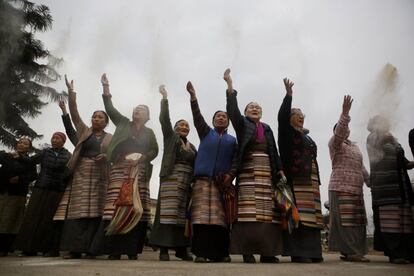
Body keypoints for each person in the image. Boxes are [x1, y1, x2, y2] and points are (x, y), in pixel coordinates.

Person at [90, 74, 158, 260]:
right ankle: (113, 249)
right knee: (117, 204)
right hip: (120, 167)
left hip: (140, 170)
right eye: (136, 108)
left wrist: (142, 158)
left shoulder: (150, 132)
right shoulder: (122, 123)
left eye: (142, 109)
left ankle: (131, 249)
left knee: (136, 205)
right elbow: (109, 108)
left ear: (147, 116)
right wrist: (106, 88)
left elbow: (154, 150)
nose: (138, 110)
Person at [224, 69, 284, 263]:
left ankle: (267, 253)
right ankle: (247, 251)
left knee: (268, 213)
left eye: (257, 107)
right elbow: (232, 111)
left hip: (267, 173)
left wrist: (279, 169)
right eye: (251, 107)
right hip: (248, 171)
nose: (255, 109)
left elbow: (273, 150)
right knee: (247, 211)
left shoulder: (267, 128)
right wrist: (230, 86)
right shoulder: (243, 125)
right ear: (246, 112)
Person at [54, 75, 112, 259]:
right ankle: (73, 248)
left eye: (100, 117)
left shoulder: (111, 137)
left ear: (106, 121)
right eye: (94, 116)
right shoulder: (84, 131)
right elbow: (74, 113)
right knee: (78, 210)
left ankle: (92, 249)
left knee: (96, 211)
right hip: (81, 174)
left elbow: (116, 155)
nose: (96, 119)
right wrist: (71, 94)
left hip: (101, 176)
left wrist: (107, 156)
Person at [186, 81, 237, 263]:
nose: (221, 118)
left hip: (221, 184)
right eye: (218, 116)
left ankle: (221, 253)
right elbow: (197, 117)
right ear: (213, 121)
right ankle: (201, 253)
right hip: (201, 182)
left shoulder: (233, 141)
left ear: (228, 121)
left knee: (220, 219)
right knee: (200, 217)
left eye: (224, 116)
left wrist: (230, 176)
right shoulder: (206, 133)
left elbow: (235, 161)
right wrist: (193, 97)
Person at [278, 78, 323, 263]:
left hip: (311, 180)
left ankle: (314, 253)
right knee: (300, 216)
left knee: (313, 216)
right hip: (296, 178)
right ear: (290, 118)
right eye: (296, 113)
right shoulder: (287, 133)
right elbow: (281, 117)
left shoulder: (307, 137)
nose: (300, 115)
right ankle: (299, 252)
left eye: (302, 113)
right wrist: (288, 96)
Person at [149, 85, 196, 261]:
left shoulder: (192, 146)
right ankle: (163, 248)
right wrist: (164, 98)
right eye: (181, 125)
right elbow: (164, 119)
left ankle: (181, 248)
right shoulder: (170, 137)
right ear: (175, 128)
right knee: (166, 213)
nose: (184, 127)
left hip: (186, 180)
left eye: (186, 126)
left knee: (182, 214)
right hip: (170, 177)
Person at [14, 132, 72, 257]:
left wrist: (63, 182)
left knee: (51, 220)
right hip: (41, 187)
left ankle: (49, 249)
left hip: (57, 190)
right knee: (33, 217)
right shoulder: (45, 152)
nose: (54, 140)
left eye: (58, 138)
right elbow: (31, 160)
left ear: (63, 141)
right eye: (53, 138)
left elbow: (70, 171)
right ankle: (29, 248)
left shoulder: (68, 155)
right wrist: (19, 156)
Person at [328, 95, 370, 262]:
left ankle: (350, 251)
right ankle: (352, 252)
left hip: (356, 189)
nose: (346, 131)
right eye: (342, 128)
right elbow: (340, 133)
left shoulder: (354, 146)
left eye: (347, 128)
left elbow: (361, 166)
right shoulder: (335, 143)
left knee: (357, 221)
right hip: (341, 187)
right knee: (347, 222)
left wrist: (369, 181)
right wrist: (344, 113)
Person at [367, 115, 414, 264]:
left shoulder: (393, 139)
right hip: (385, 187)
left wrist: (411, 163)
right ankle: (394, 253)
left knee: (404, 221)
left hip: (400, 185)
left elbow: (403, 161)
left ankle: (406, 252)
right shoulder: (373, 137)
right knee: (391, 221)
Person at [0, 138, 37, 256]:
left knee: (11, 220)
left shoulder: (30, 161)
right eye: (20, 142)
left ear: (29, 148)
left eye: (25, 144)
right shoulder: (7, 156)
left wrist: (20, 179)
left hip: (17, 194)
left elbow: (33, 175)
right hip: (2, 190)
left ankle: (5, 247)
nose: (21, 144)